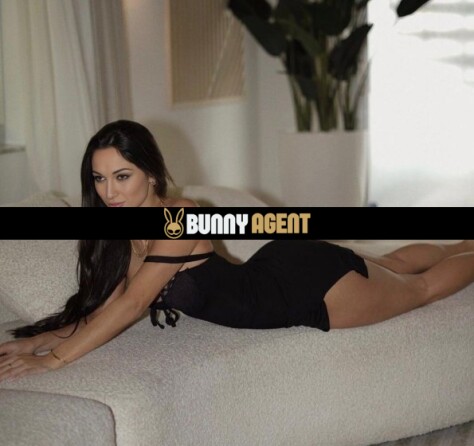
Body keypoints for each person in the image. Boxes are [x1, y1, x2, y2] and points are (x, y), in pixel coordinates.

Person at [1, 120, 474, 382]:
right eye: (100, 179)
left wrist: (53, 361)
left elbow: (133, 303)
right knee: (389, 263)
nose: (109, 192)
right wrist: (39, 341)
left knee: (421, 289)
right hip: (277, 265)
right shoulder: (126, 230)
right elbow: (109, 304)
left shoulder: (179, 217)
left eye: (122, 177)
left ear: (152, 174)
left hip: (307, 292)